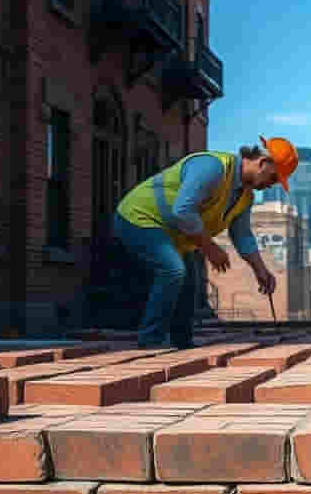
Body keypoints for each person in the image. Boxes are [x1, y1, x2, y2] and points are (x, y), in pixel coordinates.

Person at [113, 137, 298, 348]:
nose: (270, 185)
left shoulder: (245, 197)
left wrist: (261, 271)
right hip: (138, 217)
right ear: (263, 162)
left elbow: (242, 236)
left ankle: (182, 343)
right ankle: (150, 341)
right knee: (173, 270)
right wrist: (210, 248)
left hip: (171, 234)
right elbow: (183, 211)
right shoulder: (213, 167)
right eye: (273, 178)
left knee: (190, 282)